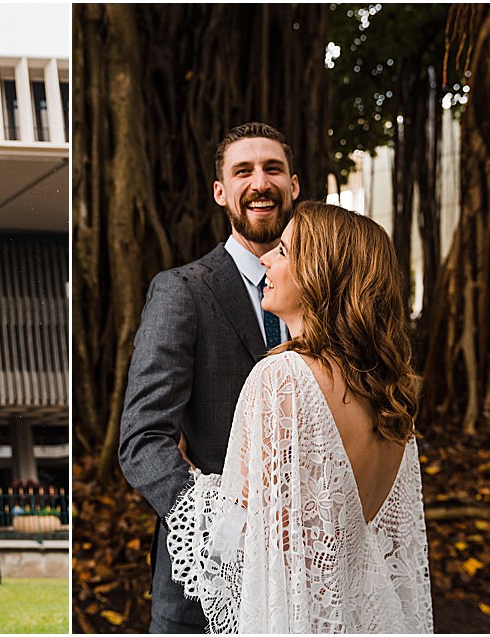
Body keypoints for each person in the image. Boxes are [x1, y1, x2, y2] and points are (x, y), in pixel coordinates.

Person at [165, 202, 430, 632]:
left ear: (321, 274)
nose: (266, 257)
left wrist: (192, 483)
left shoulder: (283, 377)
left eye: (285, 251)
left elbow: (241, 540)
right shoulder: (390, 397)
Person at [118, 122, 299, 632]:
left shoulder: (323, 296)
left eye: (273, 169)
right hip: (207, 577)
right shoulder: (182, 291)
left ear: (295, 185)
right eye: (243, 171)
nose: (259, 182)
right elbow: (143, 440)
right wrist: (222, 530)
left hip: (306, 567)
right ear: (221, 192)